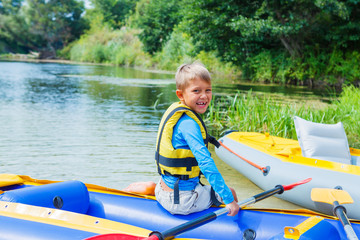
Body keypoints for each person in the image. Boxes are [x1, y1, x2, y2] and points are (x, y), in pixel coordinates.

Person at [154, 62, 239, 216]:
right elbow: (205, 162)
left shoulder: (180, 116)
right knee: (230, 192)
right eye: (196, 91)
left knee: (203, 187)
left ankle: (145, 187)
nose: (204, 96)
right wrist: (228, 199)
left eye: (208, 90)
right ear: (180, 95)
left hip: (161, 191)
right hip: (182, 202)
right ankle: (234, 217)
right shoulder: (189, 124)